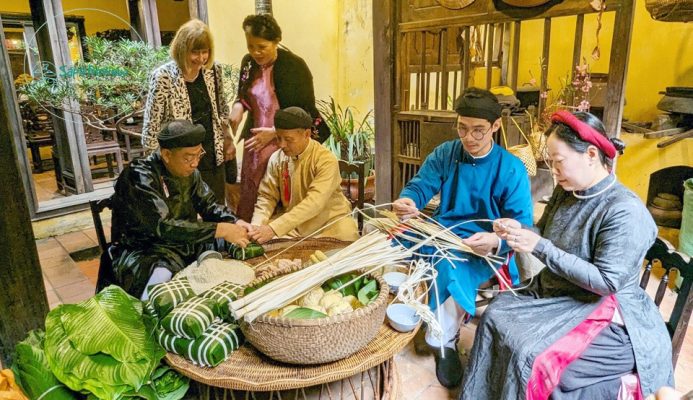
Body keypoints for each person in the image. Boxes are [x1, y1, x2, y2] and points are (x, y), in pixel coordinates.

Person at [461, 111, 673, 399]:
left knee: (532, 355)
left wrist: (538, 245)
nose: (554, 170)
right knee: (496, 314)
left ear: (590, 154)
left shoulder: (624, 211)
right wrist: (513, 232)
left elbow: (606, 282)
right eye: (550, 162)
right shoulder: (568, 189)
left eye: (558, 162)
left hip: (607, 310)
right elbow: (544, 230)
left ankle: (620, 388)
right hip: (564, 292)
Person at [392, 87, 533, 388]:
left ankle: (443, 340)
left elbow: (523, 225)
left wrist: (497, 241)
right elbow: (420, 186)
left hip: (484, 245)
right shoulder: (446, 153)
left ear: (495, 126)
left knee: (448, 265)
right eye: (462, 128)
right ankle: (412, 315)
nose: (469, 137)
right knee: (393, 245)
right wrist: (408, 200)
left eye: (479, 130)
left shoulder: (511, 169)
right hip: (444, 229)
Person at [101, 120, 250, 299]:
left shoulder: (191, 173)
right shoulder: (140, 175)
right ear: (166, 154)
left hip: (183, 241)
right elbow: (162, 226)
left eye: (198, 155)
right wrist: (220, 229)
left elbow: (209, 205)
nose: (195, 163)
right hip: (147, 248)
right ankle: (150, 313)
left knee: (237, 242)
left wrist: (235, 222)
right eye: (188, 157)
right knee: (161, 275)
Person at [230, 14, 330, 221]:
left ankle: (279, 236)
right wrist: (238, 107)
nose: (255, 52)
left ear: (276, 41)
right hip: (256, 141)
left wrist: (275, 134)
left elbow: (305, 113)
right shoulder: (248, 63)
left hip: (285, 139)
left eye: (262, 46)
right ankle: (252, 234)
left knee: (280, 191)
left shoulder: (295, 66)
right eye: (251, 46)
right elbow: (244, 95)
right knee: (254, 193)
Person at [142, 19, 234, 204]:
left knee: (215, 208)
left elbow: (221, 111)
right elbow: (152, 128)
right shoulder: (163, 77)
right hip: (180, 159)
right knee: (185, 214)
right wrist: (155, 169)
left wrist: (228, 139)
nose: (201, 59)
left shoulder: (212, 71)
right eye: (195, 52)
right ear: (182, 49)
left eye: (205, 52)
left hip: (211, 153)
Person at [248, 107, 358, 244]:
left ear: (307, 134)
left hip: (330, 224)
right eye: (278, 138)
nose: (282, 144)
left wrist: (273, 228)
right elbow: (267, 196)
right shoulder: (277, 158)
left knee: (347, 238)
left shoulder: (325, 159)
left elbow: (314, 203)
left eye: (288, 139)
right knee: (264, 245)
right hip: (293, 226)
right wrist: (256, 226)